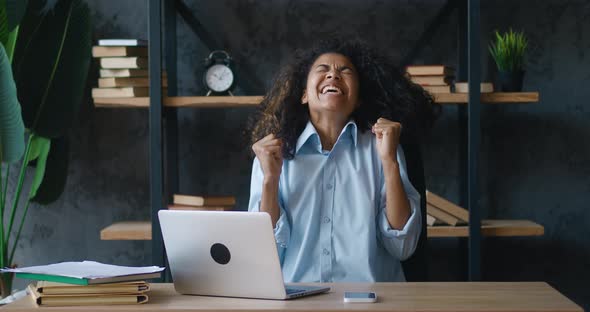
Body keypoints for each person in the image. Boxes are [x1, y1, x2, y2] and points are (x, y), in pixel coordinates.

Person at [247, 38, 437, 283]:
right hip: (296, 300)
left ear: (357, 98)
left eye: (344, 71)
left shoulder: (383, 148)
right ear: (304, 94)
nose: (333, 76)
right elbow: (263, 254)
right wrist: (270, 180)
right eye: (323, 69)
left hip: (375, 301)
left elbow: (403, 247)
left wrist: (390, 162)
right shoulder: (272, 155)